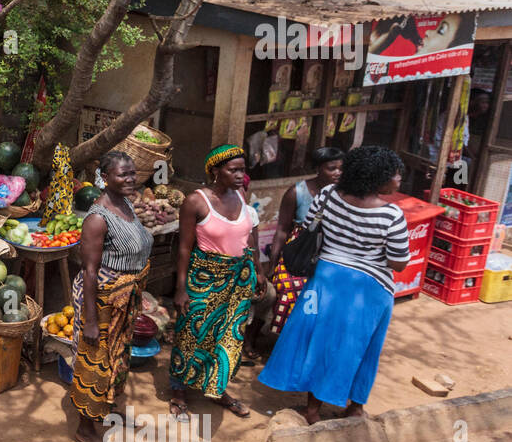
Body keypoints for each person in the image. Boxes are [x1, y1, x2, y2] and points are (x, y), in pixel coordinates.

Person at [259, 146, 409, 424]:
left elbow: (309, 228)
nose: (399, 181)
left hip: (325, 279)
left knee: (320, 343)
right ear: (378, 177)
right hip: (369, 288)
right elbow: (399, 263)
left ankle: (312, 410)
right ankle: (355, 407)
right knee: (362, 347)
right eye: (395, 175)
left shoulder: (327, 195)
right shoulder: (391, 215)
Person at [168, 144, 265, 420]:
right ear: (214, 171)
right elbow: (185, 248)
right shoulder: (196, 202)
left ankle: (217, 388)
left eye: (242, 170)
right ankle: (179, 390)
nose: (239, 175)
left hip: (238, 279)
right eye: (233, 169)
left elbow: (250, 236)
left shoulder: (241, 195)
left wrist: (258, 270)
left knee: (227, 337)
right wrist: (181, 288)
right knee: (191, 334)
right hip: (205, 278)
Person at [70, 151, 154, 442]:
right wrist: (91, 321)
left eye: (133, 174)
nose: (131, 179)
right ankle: (86, 429)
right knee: (95, 362)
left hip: (123, 298)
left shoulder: (126, 203)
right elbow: (90, 271)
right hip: (101, 299)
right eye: (123, 175)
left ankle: (104, 409)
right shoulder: (97, 218)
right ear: (105, 178)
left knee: (116, 358)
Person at [265, 146, 344, 337]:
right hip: (298, 250)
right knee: (287, 288)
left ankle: (308, 339)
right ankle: (282, 338)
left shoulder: (342, 193)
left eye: (341, 168)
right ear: (318, 168)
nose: (338, 173)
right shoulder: (296, 192)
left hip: (326, 252)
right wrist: (273, 264)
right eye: (332, 168)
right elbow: (282, 231)